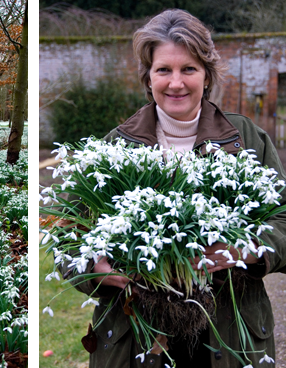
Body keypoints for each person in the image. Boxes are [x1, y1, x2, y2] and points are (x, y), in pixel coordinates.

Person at [59, 8, 286, 368]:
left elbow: (283, 218)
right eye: (164, 69)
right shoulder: (115, 147)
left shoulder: (244, 140)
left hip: (227, 334)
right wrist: (92, 265)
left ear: (207, 76)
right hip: (136, 335)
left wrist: (249, 249)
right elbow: (68, 234)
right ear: (148, 78)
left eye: (189, 69)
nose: (176, 83)